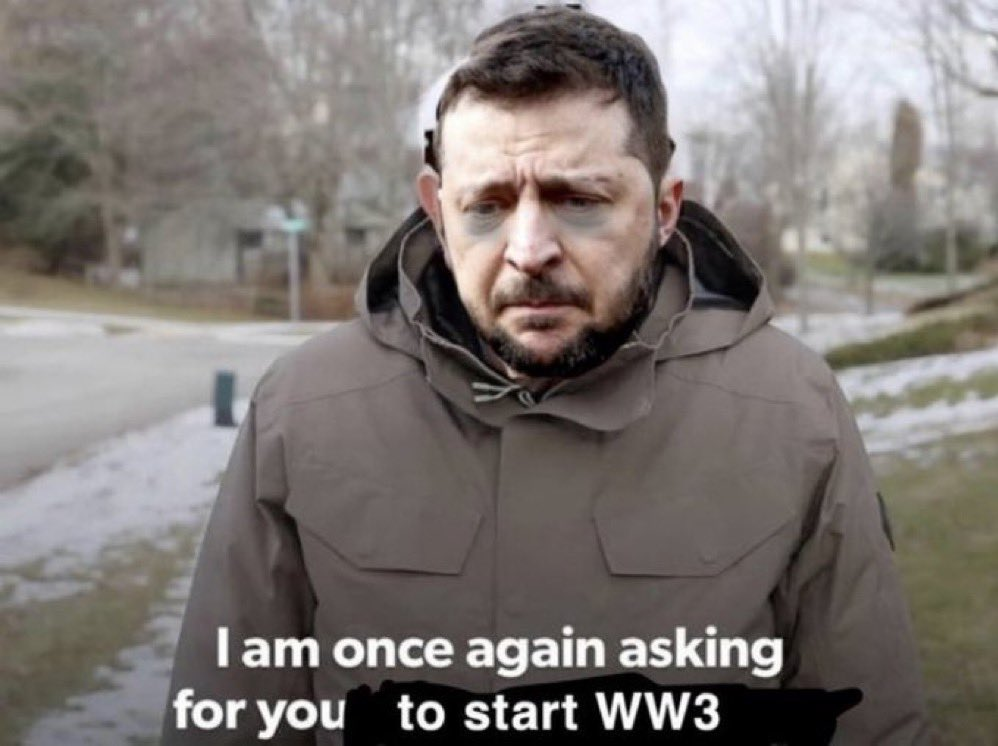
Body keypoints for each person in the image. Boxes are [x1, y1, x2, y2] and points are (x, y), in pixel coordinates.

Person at [163, 7, 929, 744]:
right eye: (487, 206)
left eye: (579, 201)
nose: (529, 250)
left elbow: (870, 722)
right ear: (437, 211)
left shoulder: (789, 411)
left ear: (665, 209)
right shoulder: (306, 410)